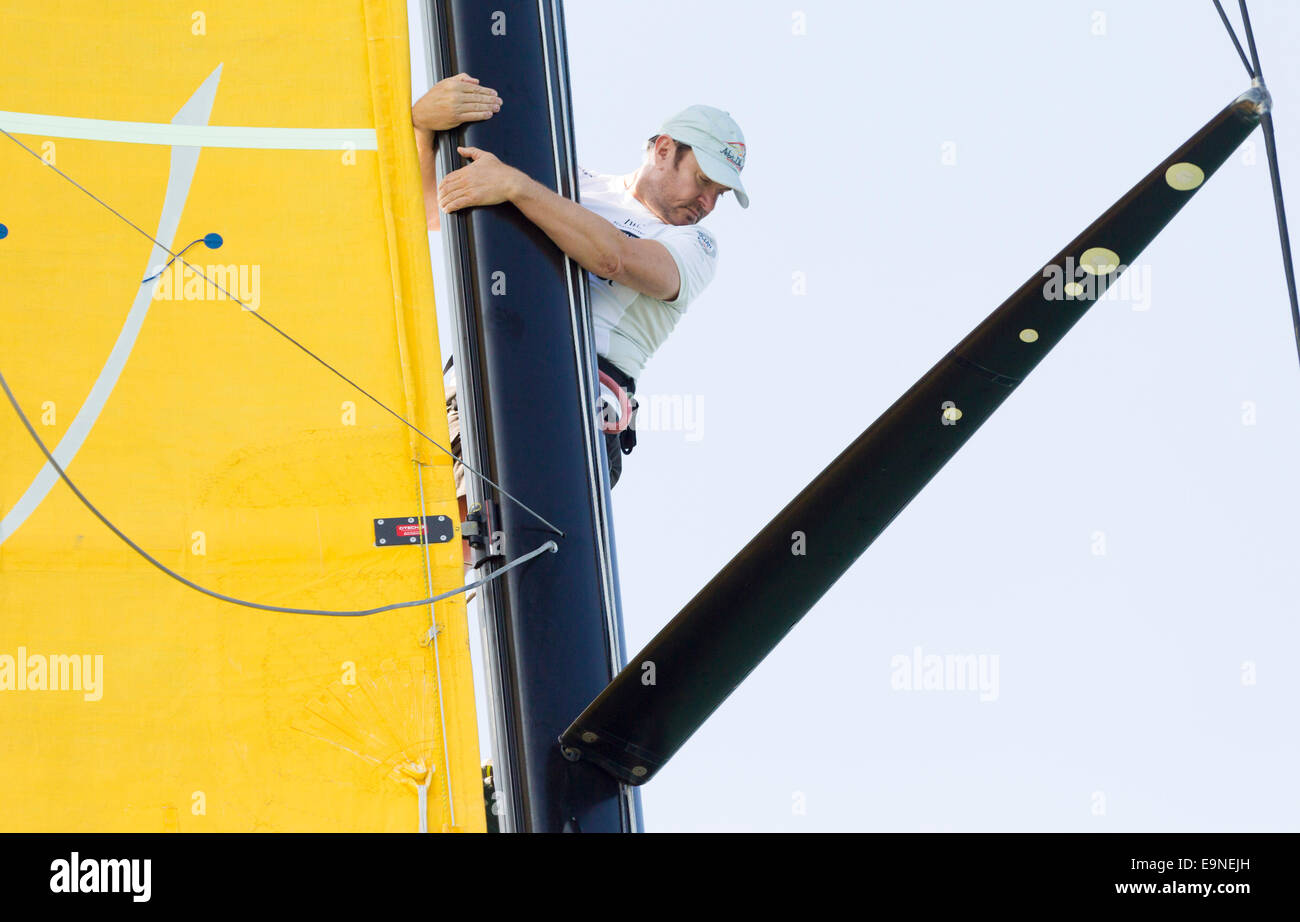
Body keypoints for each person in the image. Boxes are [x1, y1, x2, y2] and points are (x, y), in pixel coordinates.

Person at [412, 74, 747, 543]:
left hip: (577, 409)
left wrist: (515, 187)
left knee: (496, 548)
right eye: (704, 181)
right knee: (413, 544)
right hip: (476, 382)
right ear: (666, 149)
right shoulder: (566, 184)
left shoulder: (696, 244)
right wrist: (423, 128)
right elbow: (433, 207)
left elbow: (616, 258)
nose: (708, 203)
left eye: (721, 195)